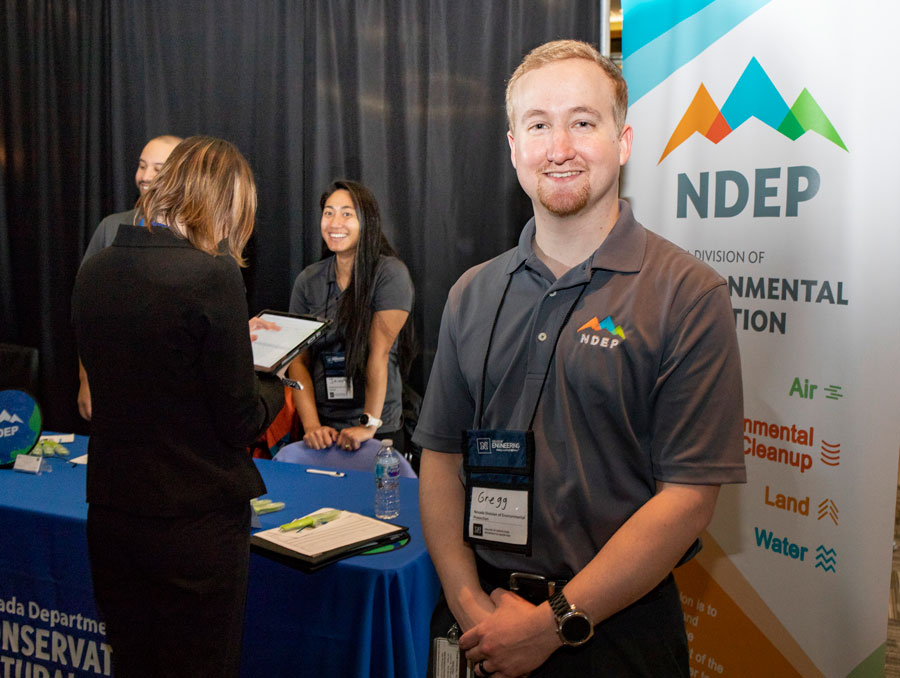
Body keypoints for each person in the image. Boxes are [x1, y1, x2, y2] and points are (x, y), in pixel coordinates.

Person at [413, 39, 746, 678]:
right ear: (513, 147)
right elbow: (441, 458)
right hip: (479, 619)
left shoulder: (687, 294)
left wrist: (552, 624)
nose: (559, 146)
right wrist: (469, 605)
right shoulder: (472, 292)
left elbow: (688, 498)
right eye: (538, 125)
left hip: (615, 635)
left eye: (582, 122)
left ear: (622, 141)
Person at [72, 135, 285, 678]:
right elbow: (238, 419)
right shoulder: (211, 275)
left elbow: (150, 373)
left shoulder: (94, 271)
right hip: (193, 527)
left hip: (112, 518)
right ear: (224, 202)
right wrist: (272, 380)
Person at [287, 179, 414, 453]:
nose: (335, 222)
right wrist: (311, 426)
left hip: (378, 425)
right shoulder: (308, 280)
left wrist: (369, 425)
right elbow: (297, 362)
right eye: (329, 212)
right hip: (325, 426)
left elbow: (379, 354)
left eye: (347, 213)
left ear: (366, 222)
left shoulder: (389, 274)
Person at [78, 134, 183, 420]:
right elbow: (86, 312)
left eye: (158, 169)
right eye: (141, 166)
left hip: (175, 392)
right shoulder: (111, 228)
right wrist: (86, 381)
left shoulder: (198, 235)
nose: (145, 177)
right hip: (114, 386)